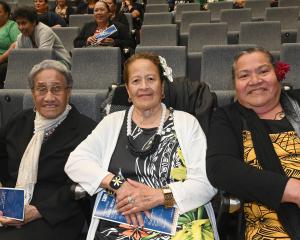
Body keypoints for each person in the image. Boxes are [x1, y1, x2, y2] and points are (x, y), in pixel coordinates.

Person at [65, 52, 219, 240]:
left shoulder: (187, 123)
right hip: (120, 220)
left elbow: (207, 183)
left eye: (151, 79)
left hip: (178, 217)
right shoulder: (112, 123)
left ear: (162, 87)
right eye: (136, 81)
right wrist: (118, 185)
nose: (144, 87)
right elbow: (75, 162)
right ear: (128, 92)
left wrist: (159, 196)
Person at [206, 47, 300, 239]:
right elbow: (220, 168)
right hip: (269, 224)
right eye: (244, 75)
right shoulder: (226, 117)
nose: (255, 81)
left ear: (277, 74)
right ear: (235, 84)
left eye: (263, 71)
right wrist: (293, 190)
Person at [0, 59, 97, 240]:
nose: (49, 97)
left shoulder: (87, 130)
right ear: (33, 93)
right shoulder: (19, 121)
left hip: (55, 215)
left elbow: (84, 185)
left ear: (68, 92)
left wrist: (37, 211)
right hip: (11, 206)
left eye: (57, 89)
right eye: (42, 89)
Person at [0, 0, 20, 89]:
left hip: (5, 61)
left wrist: (1, 59)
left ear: (7, 14)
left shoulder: (12, 26)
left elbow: (16, 45)